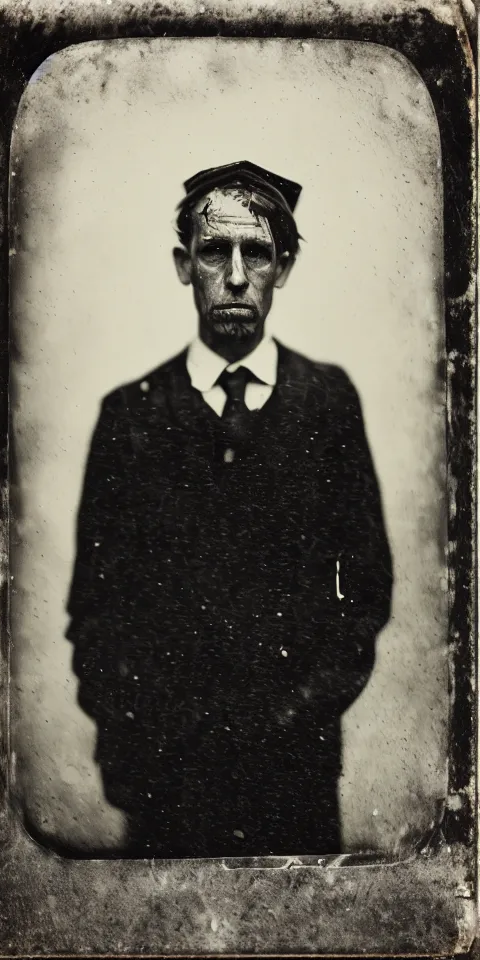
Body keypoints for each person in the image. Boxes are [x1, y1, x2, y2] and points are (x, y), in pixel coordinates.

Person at [66, 160, 393, 859]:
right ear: (185, 265)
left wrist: (292, 718)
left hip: (294, 780)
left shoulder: (327, 403)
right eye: (216, 251)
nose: (237, 275)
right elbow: (96, 612)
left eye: (259, 253)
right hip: (167, 783)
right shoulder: (130, 416)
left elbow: (363, 593)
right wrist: (141, 737)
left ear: (286, 268)